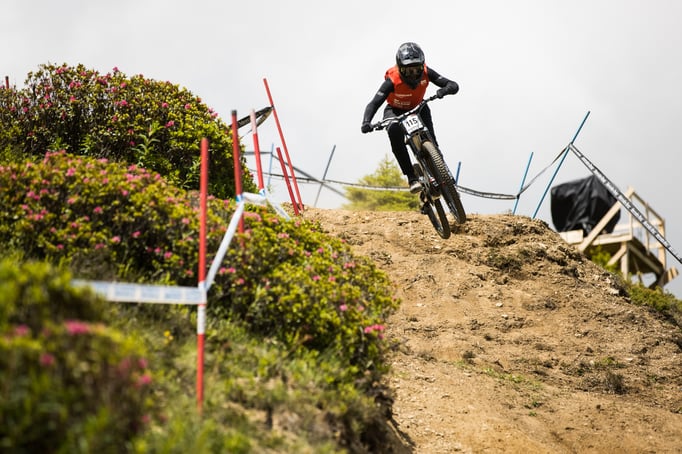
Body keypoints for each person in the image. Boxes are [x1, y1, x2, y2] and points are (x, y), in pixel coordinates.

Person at [361, 42, 459, 193]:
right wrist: (366, 122)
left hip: (419, 107)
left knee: (432, 140)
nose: (413, 74)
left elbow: (452, 84)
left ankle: (443, 172)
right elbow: (374, 103)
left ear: (422, 65)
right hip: (395, 111)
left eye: (416, 69)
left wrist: (444, 90)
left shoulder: (426, 72)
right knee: (394, 131)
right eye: (408, 70)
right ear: (400, 68)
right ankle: (412, 177)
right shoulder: (392, 81)